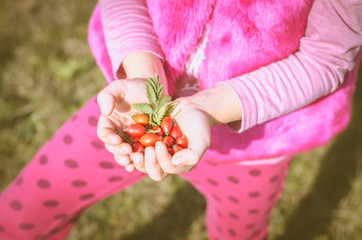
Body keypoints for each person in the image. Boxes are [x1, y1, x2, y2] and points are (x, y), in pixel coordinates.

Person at [0, 0, 361, 239]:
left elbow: (325, 59)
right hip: (132, 111)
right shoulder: (130, 112)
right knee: (25, 208)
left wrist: (208, 108)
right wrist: (143, 77)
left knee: (239, 233)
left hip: (254, 148)